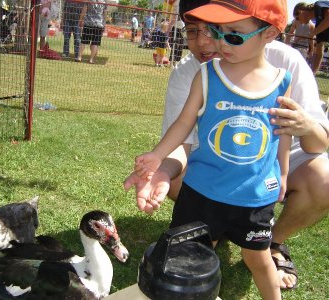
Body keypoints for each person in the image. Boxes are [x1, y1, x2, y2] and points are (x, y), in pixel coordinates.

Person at [124, 0, 329, 292]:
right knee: (190, 254)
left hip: (255, 195)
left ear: (269, 34)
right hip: (203, 190)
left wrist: (282, 173)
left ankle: (274, 251)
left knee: (258, 258)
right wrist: (157, 158)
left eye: (232, 34)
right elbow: (183, 125)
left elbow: (284, 132)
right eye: (217, 31)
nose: (217, 42)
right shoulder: (204, 75)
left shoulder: (284, 78)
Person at [294, 1, 329, 74]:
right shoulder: (319, 26)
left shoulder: (318, 5)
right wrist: (312, 74)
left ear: (301, 11)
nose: (299, 22)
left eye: (297, 18)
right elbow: (319, 54)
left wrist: (313, 33)